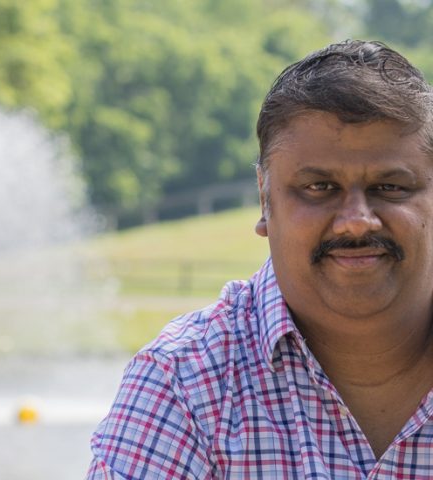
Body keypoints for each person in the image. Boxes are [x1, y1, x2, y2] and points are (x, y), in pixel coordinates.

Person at [86, 40, 433, 479]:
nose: (356, 223)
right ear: (264, 197)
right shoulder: (184, 381)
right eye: (319, 187)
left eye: (390, 187)